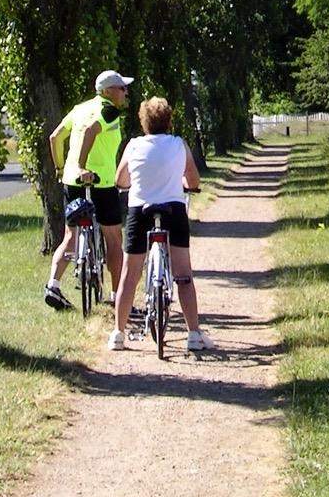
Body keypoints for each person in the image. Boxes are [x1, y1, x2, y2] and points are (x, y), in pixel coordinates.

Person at [109, 94, 211, 352]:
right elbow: (194, 180)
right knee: (183, 274)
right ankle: (194, 334)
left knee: (129, 275)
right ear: (169, 121)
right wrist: (184, 183)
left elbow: (120, 179)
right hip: (173, 210)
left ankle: (118, 334)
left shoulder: (134, 145)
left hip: (139, 211)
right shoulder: (178, 144)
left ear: (143, 122)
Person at [43, 70, 131, 311]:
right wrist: (83, 165)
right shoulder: (109, 111)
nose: (125, 93)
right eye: (122, 88)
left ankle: (53, 285)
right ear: (108, 91)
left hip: (72, 181)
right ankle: (117, 296)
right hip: (101, 183)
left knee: (70, 236)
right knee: (113, 239)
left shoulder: (79, 109)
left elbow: (55, 137)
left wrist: (61, 168)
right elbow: (92, 130)